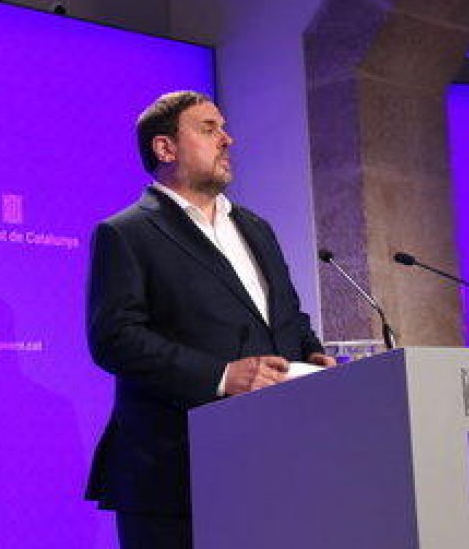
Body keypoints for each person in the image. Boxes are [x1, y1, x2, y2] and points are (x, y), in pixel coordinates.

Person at [85, 90, 335, 548]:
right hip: (174, 471)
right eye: (208, 128)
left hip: (271, 461)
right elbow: (114, 338)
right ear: (166, 148)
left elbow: (286, 315)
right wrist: (222, 376)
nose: (228, 140)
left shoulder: (256, 227)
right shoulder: (127, 232)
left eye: (223, 128)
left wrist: (312, 355)